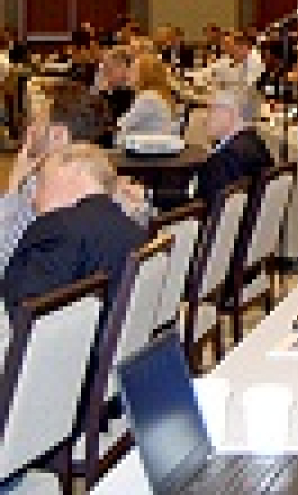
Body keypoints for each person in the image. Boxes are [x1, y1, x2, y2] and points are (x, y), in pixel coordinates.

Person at [0, 82, 149, 275]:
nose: (29, 130)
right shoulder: (108, 184)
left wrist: (14, 183)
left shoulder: (45, 191)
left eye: (36, 121)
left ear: (58, 135)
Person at [2, 144, 147, 316]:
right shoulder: (132, 229)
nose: (34, 198)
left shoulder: (58, 229)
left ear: (73, 172)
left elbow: (21, 311)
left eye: (42, 181)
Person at [194, 86, 274, 207]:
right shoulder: (256, 143)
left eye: (211, 109)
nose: (206, 117)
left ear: (230, 114)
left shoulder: (226, 159)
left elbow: (212, 209)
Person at [116, 54, 178, 140]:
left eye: (133, 70)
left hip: (148, 149)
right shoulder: (156, 94)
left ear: (144, 75)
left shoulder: (148, 98)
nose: (128, 74)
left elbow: (121, 125)